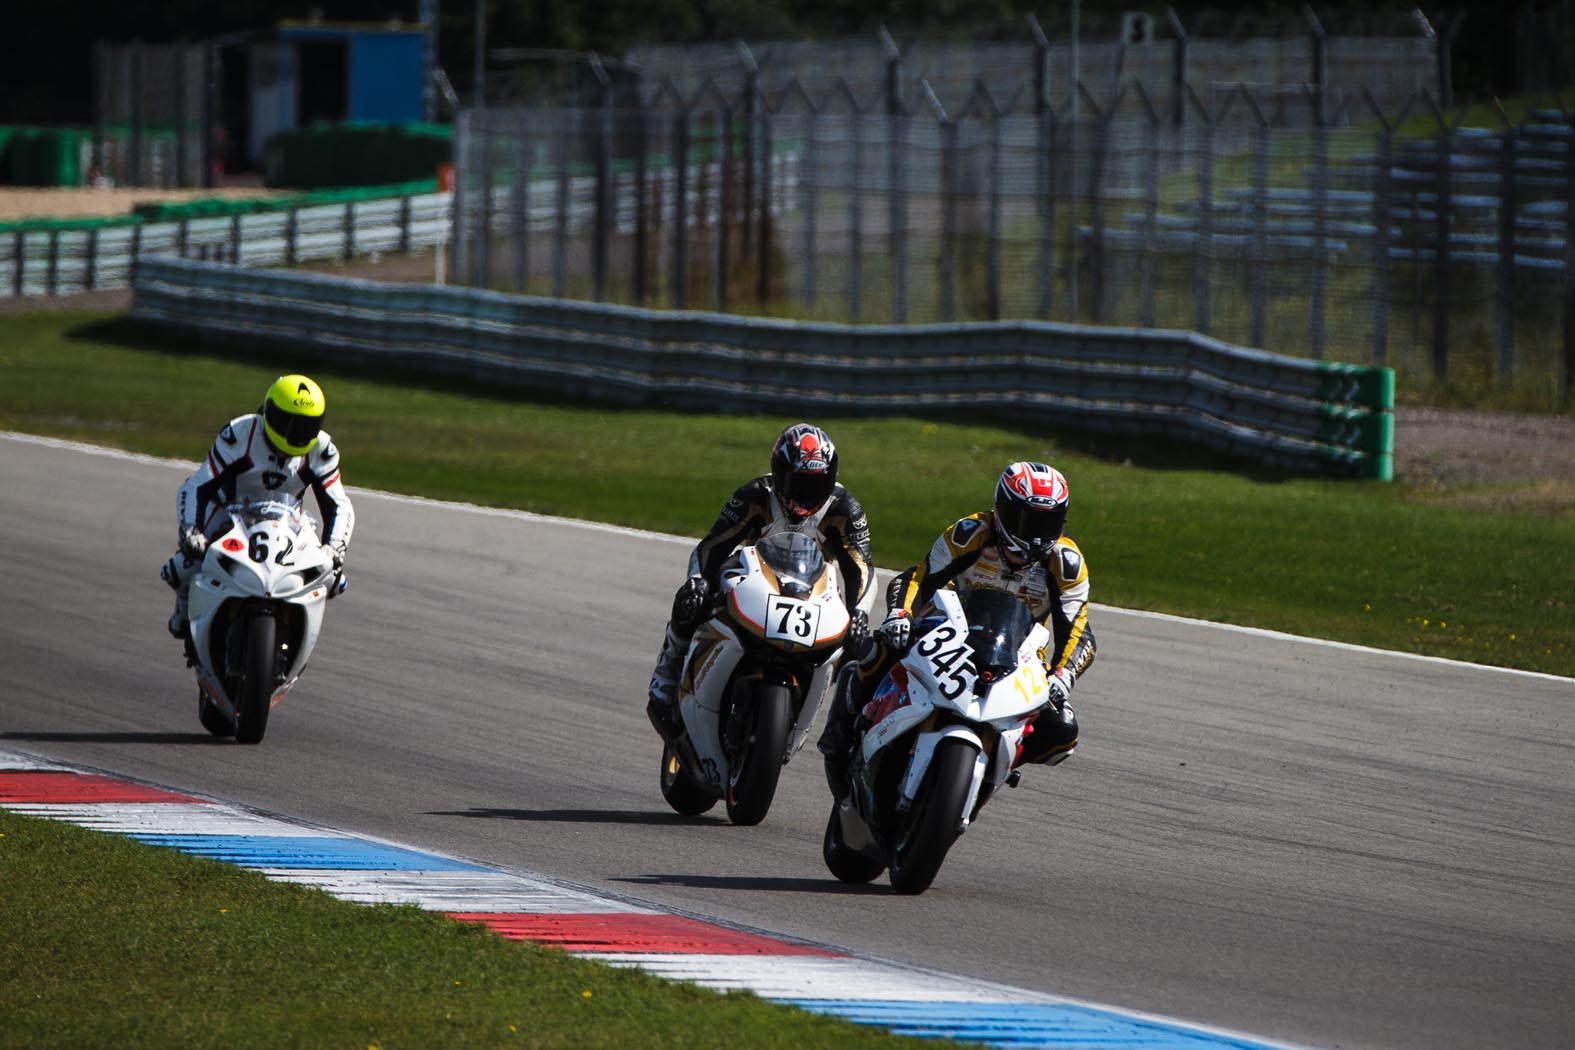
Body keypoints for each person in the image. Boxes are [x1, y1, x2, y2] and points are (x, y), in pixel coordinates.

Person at [819, 460, 1096, 797]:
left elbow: (1078, 629)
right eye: (1028, 519)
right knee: (875, 653)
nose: (1037, 533)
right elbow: (919, 577)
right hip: (947, 632)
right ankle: (840, 739)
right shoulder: (971, 533)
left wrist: (1062, 674)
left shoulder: (1066, 564)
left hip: (1017, 655)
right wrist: (900, 616)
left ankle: (999, 760)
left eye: (1048, 521)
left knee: (1062, 730)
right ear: (1003, 510)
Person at [646, 422, 874, 743]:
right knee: (692, 599)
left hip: (815, 592)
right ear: (779, 475)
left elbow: (861, 568)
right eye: (799, 484)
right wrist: (697, 581)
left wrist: (860, 613)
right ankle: (666, 676)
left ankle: (839, 727)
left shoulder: (843, 508)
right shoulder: (754, 495)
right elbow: (712, 548)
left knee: (859, 646)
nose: (807, 495)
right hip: (755, 580)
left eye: (817, 484)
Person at [163, 374, 355, 639]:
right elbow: (197, 486)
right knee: (182, 566)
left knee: (333, 580)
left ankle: (295, 633)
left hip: (287, 520)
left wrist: (335, 548)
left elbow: (339, 504)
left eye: (304, 426)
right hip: (229, 512)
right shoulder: (240, 434)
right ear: (269, 412)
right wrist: (191, 530)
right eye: (286, 422)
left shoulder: (322, 450)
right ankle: (185, 610)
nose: (293, 433)